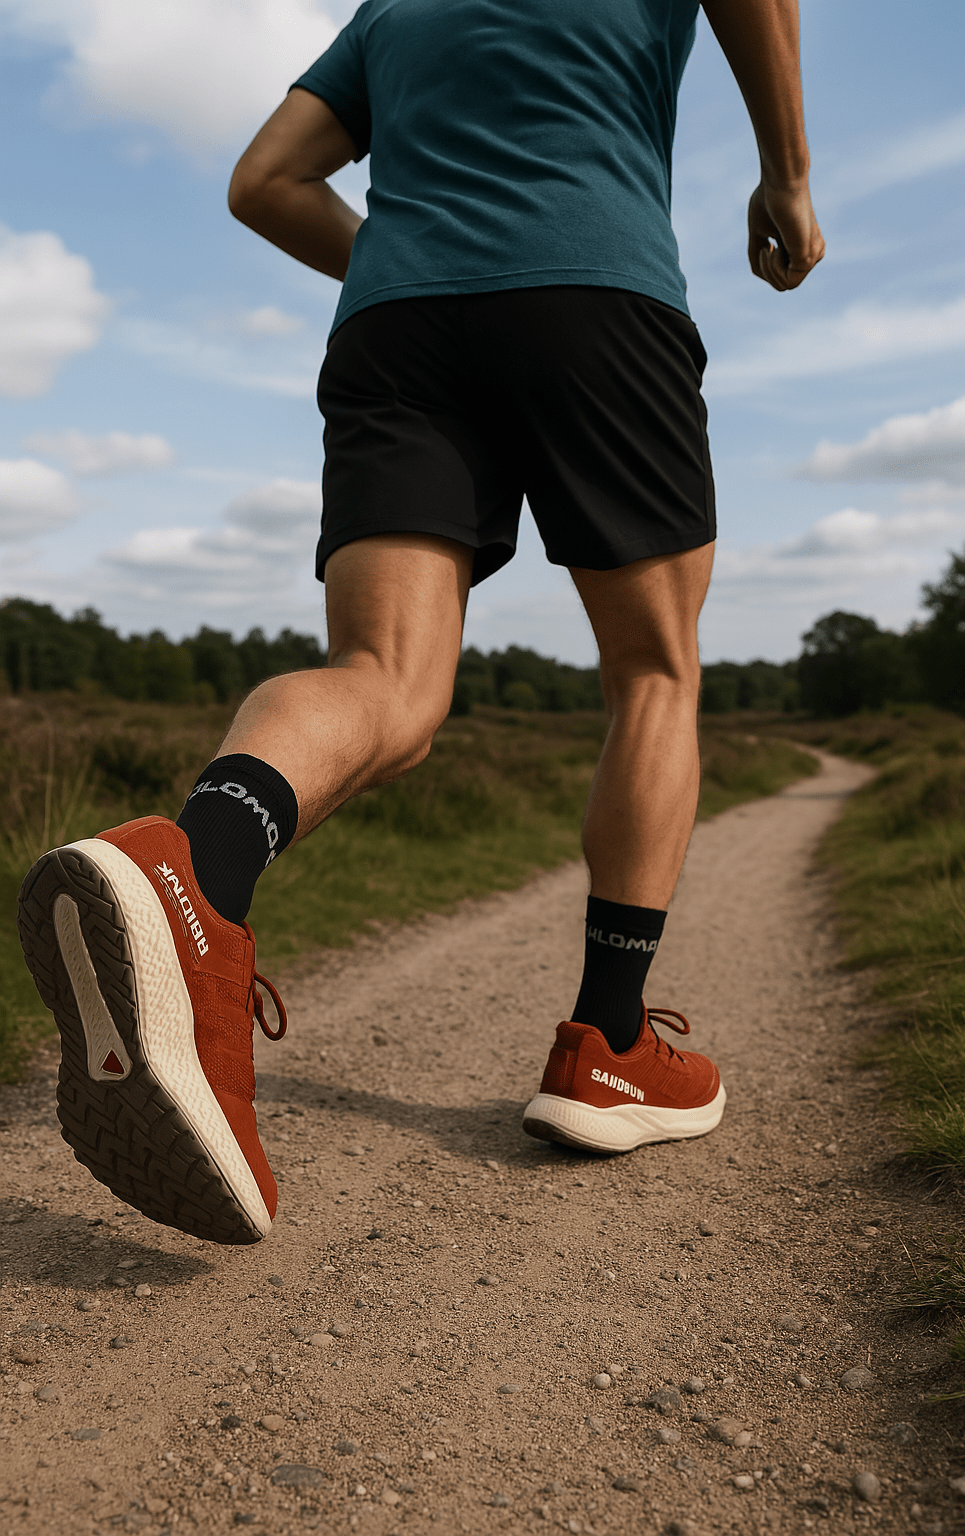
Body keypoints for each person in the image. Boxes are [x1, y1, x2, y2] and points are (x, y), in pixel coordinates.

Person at [17, 0, 824, 1246]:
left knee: (382, 676)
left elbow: (263, 183)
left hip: (398, 322)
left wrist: (409, 258)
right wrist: (787, 175)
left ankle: (192, 873)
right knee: (653, 672)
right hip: (595, 288)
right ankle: (607, 1044)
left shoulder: (392, 5)